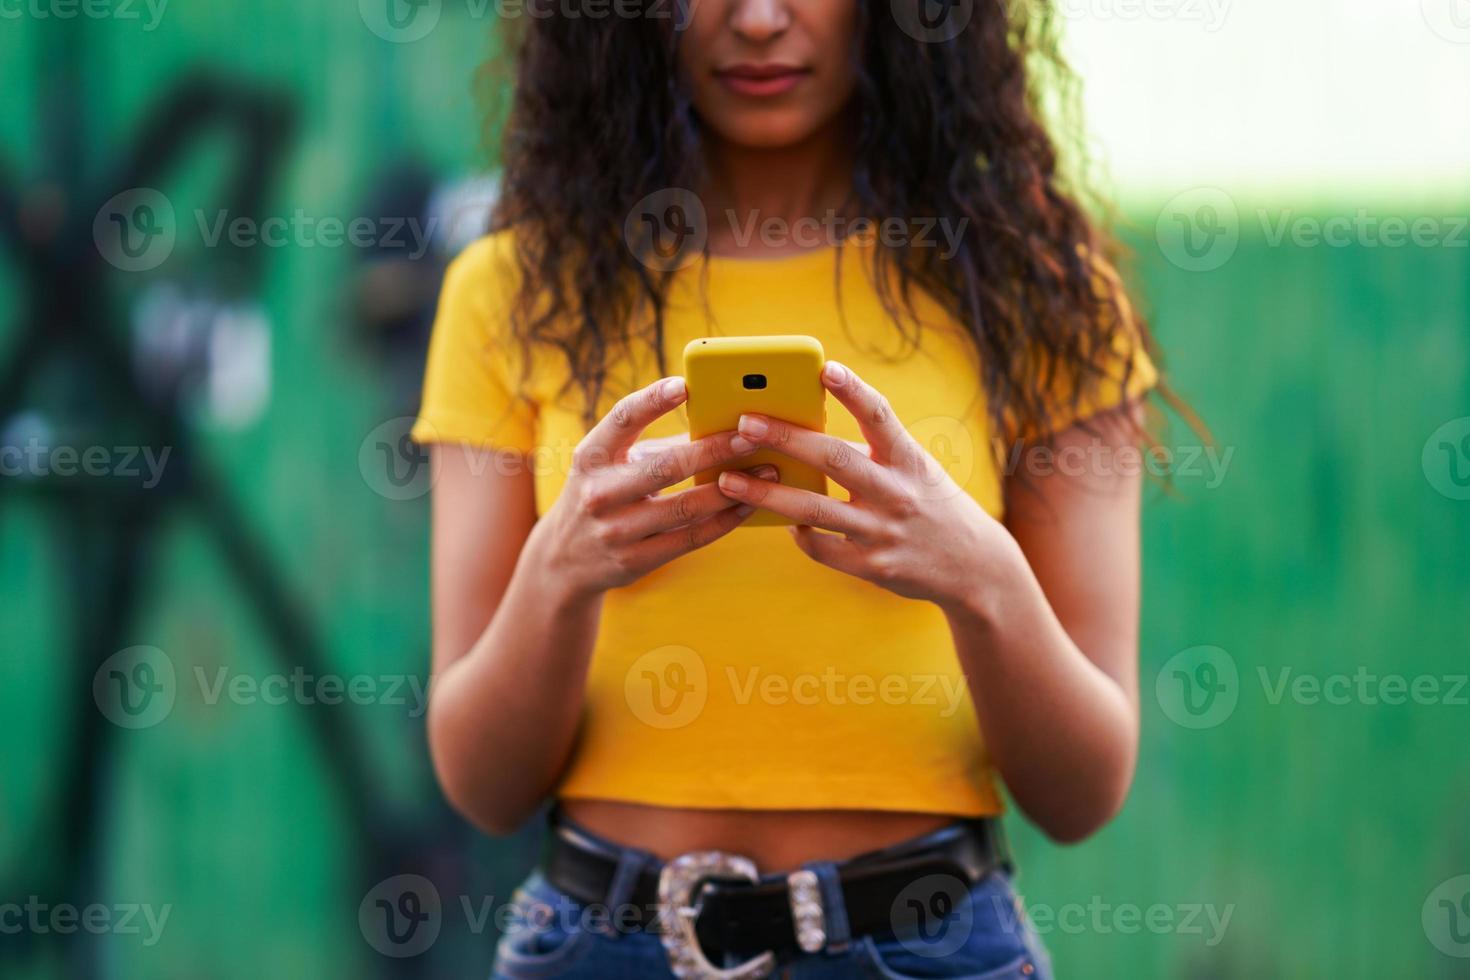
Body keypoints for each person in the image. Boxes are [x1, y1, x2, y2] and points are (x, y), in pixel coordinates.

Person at [412, 3, 1170, 977]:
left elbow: (1083, 790)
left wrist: (982, 578)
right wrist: (558, 574)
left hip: (927, 944)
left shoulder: (1039, 291)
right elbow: (484, 784)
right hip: (600, 945)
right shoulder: (507, 291)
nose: (761, 20)